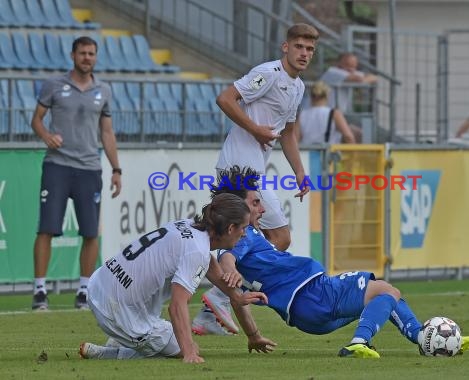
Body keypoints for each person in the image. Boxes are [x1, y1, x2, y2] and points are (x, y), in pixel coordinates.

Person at [193, 166, 469, 358]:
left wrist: (253, 335)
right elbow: (228, 258)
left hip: (309, 310)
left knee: (384, 293)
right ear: (238, 207)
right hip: (313, 295)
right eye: (255, 203)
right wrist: (228, 271)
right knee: (386, 292)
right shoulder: (241, 237)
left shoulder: (246, 235)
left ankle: (423, 338)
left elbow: (235, 296)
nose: (263, 207)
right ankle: (359, 343)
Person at [207, 23, 319, 333]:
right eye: (299, 47)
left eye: (310, 49)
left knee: (276, 239)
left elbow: (288, 133)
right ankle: (219, 294)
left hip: (253, 171)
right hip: (237, 171)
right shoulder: (267, 73)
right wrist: (255, 129)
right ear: (286, 47)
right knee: (277, 237)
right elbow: (225, 98)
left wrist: (299, 171)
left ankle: (216, 300)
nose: (304, 54)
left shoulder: (298, 87)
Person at [78, 193, 276, 363]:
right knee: (187, 347)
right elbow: (176, 306)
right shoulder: (196, 251)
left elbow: (207, 260)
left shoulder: (189, 225)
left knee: (175, 337)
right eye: (243, 228)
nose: (244, 234)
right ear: (231, 228)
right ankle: (113, 351)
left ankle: (125, 337)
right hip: (116, 310)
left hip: (99, 284)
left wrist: (236, 295)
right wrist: (188, 353)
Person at [30, 36, 122, 311]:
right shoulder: (54, 85)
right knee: (46, 228)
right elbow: (36, 118)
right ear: (73, 55)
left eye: (91, 53)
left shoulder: (103, 90)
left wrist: (116, 169)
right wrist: (46, 135)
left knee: (91, 232)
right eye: (82, 53)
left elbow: (106, 132)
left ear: (96, 57)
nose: (87, 57)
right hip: (57, 166)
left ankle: (84, 290)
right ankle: (40, 291)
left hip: (89, 168)